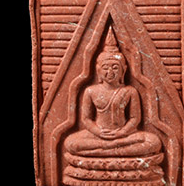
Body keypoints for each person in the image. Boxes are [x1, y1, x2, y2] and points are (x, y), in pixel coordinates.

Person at [65, 26, 161, 158]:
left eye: (115, 67)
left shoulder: (130, 91)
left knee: (153, 142)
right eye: (105, 68)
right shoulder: (91, 91)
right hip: (97, 135)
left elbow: (135, 118)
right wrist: (98, 132)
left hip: (124, 135)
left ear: (123, 70)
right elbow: (86, 119)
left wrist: (122, 132)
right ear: (98, 70)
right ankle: (113, 149)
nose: (110, 72)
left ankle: (104, 150)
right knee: (70, 143)